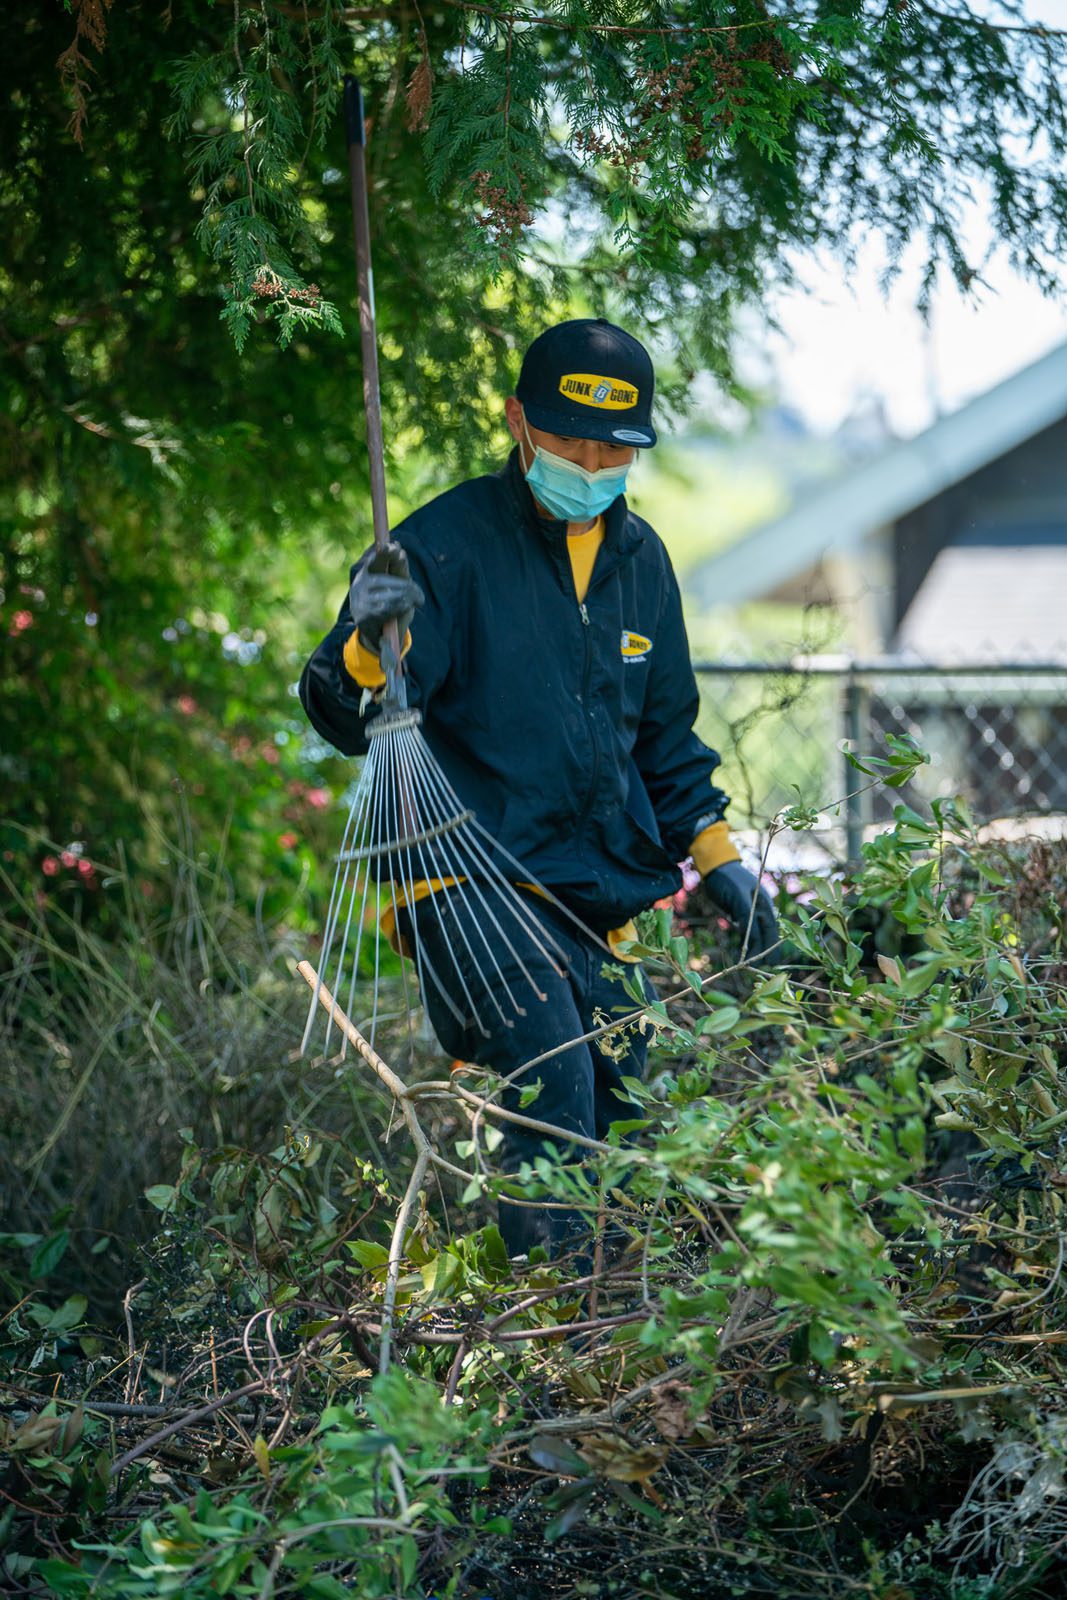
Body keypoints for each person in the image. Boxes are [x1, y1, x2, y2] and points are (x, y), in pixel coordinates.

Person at [299, 317, 777, 1263]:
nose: (591, 461)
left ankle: (606, 1335)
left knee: (624, 1115)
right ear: (520, 421)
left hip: (596, 893)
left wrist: (722, 864)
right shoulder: (437, 548)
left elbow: (664, 741)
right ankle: (544, 1346)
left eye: (613, 447)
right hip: (467, 884)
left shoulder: (644, 566)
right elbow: (341, 714)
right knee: (553, 1086)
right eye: (568, 439)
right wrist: (366, 641)